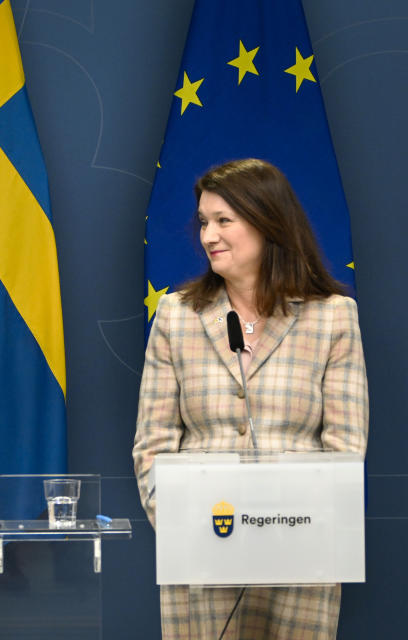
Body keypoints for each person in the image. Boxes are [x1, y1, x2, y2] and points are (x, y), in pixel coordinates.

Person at [132, 158, 368, 639]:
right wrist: (184, 526)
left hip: (301, 553)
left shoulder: (334, 317)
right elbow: (151, 445)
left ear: (267, 222)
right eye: (203, 222)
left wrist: (290, 524)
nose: (208, 236)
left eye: (223, 221)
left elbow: (346, 447)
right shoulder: (177, 316)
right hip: (202, 551)